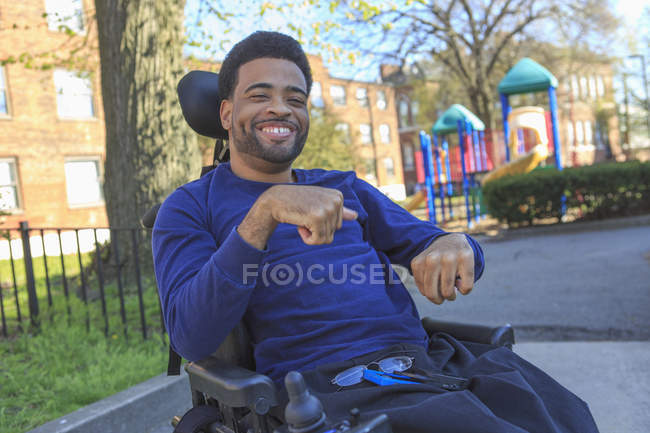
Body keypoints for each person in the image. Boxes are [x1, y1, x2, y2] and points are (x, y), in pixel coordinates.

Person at [153, 31, 598, 433]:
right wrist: (263, 214)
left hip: (423, 365)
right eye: (259, 95)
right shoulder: (189, 207)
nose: (280, 108)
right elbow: (192, 337)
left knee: (566, 415)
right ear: (227, 113)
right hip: (328, 389)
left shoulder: (344, 187)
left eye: (296, 98)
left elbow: (436, 242)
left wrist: (455, 244)